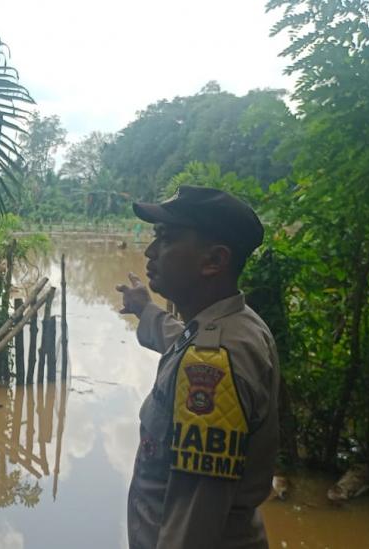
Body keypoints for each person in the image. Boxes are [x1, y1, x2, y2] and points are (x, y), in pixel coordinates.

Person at [116, 185, 280, 549]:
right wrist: (145, 309)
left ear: (214, 261)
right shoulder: (234, 325)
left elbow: (195, 522)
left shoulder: (217, 362)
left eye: (167, 238)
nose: (150, 251)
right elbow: (183, 342)